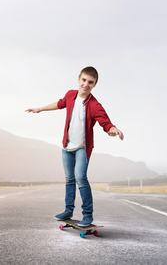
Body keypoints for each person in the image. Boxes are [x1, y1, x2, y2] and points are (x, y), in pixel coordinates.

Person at [25, 66, 124, 226]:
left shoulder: (95, 105)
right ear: (79, 79)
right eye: (84, 80)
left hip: (82, 149)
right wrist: (40, 109)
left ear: (94, 85)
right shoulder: (70, 95)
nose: (86, 84)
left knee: (80, 178)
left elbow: (105, 122)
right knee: (69, 179)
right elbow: (60, 103)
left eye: (90, 82)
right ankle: (68, 210)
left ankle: (87, 215)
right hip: (67, 146)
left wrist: (113, 130)